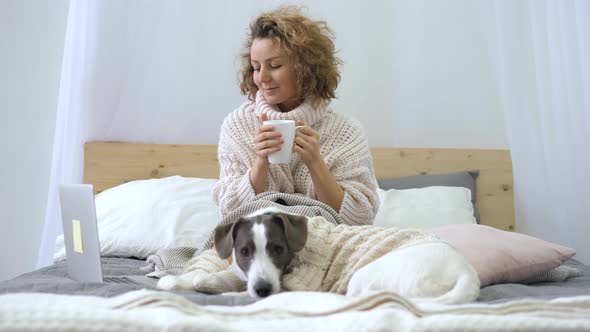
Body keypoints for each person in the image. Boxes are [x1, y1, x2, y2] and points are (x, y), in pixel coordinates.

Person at [212, 6, 379, 225]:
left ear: (305, 68)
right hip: (258, 244)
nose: (262, 78)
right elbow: (230, 212)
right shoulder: (237, 126)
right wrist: (261, 164)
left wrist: (315, 162)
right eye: (255, 67)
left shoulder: (346, 132)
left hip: (326, 242)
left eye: (274, 65)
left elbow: (359, 219)